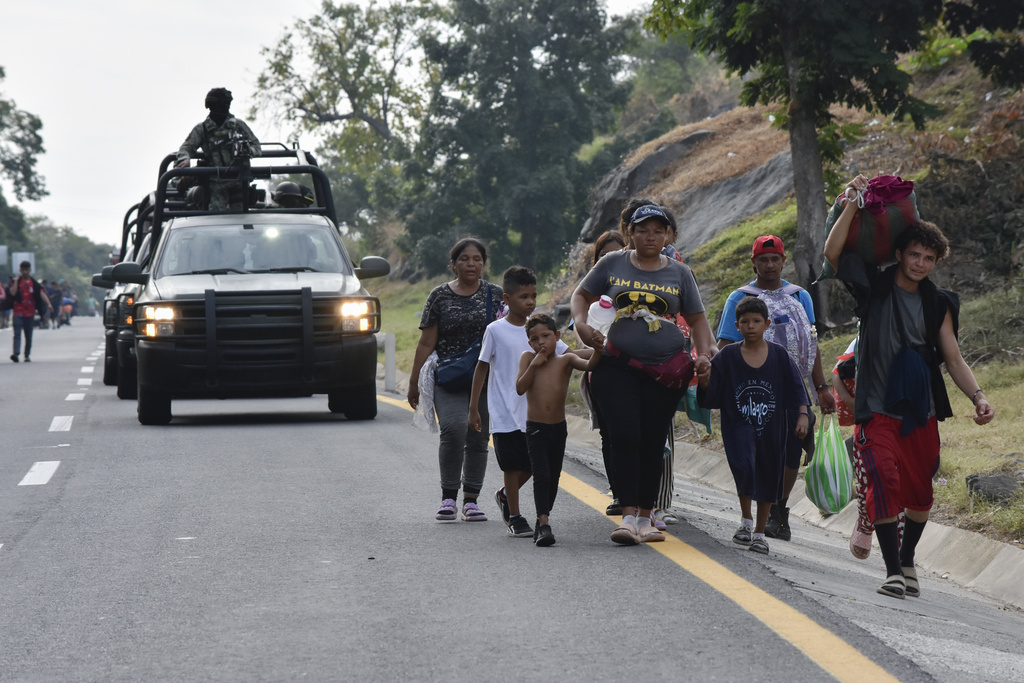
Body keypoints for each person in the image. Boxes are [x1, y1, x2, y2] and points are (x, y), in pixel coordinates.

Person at [823, 173, 995, 600]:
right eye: (914, 254)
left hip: (919, 410)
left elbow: (952, 357)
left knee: (919, 491)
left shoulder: (939, 303)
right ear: (899, 253)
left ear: (936, 262)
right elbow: (833, 252)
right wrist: (852, 204)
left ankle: (907, 557)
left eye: (929, 257)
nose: (920, 263)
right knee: (881, 476)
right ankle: (892, 570)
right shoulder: (872, 288)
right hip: (875, 406)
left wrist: (978, 396)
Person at [571, 204, 717, 546]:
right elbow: (581, 295)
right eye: (642, 230)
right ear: (630, 234)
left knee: (653, 442)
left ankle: (647, 516)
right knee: (624, 435)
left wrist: (704, 354)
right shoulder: (612, 264)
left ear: (667, 235)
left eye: (657, 230)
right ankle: (628, 516)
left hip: (664, 371)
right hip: (614, 365)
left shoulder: (680, 272)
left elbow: (697, 319)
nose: (650, 237)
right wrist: (580, 324)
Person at [716, 234, 836, 541]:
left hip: (793, 390)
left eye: (775, 259)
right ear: (753, 263)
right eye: (763, 260)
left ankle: (778, 512)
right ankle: (757, 515)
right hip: (752, 392)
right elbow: (725, 345)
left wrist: (821, 386)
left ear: (784, 261)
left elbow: (811, 344)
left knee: (790, 453)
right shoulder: (739, 298)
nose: (769, 265)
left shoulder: (800, 297)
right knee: (753, 452)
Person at [697, 297, 810, 554]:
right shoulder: (728, 356)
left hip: (773, 428)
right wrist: (704, 380)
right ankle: (745, 521)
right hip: (739, 425)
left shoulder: (779, 355)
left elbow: (796, 387)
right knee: (744, 466)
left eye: (756, 321)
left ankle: (760, 532)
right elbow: (712, 391)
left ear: (767, 324)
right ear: (737, 325)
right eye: (745, 322)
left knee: (770, 473)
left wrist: (802, 415)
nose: (751, 326)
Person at [468, 266, 570, 538]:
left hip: (534, 413)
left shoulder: (540, 331)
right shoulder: (496, 330)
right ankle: (514, 515)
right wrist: (474, 408)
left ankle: (504, 496)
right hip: (503, 409)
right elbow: (481, 367)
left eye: (534, 295)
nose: (530, 302)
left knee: (535, 467)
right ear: (507, 298)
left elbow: (566, 354)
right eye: (524, 296)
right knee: (512, 465)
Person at [409, 237, 502, 523]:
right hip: (448, 376)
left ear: (483, 264)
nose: (471, 264)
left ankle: (471, 500)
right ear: (453, 265)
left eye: (476, 259)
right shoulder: (439, 296)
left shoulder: (497, 295)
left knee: (478, 435)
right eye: (464, 259)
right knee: (453, 428)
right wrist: (414, 382)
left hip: (486, 377)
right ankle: (448, 497)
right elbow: (426, 343)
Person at [516, 314, 602, 546]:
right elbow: (520, 388)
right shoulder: (527, 358)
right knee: (541, 474)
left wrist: (598, 348)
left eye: (546, 336)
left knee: (553, 477)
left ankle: (542, 519)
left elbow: (590, 365)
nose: (541, 343)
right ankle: (544, 524)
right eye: (535, 339)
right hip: (535, 429)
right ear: (529, 344)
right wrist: (534, 364)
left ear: (557, 336)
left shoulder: (566, 360)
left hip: (558, 428)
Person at [176, 87, 262, 211]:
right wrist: (185, 158)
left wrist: (249, 151)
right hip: (216, 183)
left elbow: (257, 146)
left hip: (239, 180)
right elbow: (187, 147)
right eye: (222, 104)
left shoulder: (238, 126)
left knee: (242, 218)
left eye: (227, 103)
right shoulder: (203, 129)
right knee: (215, 216)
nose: (226, 107)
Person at [8, 261, 52, 362]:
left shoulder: (34, 284)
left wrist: (48, 304)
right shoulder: (16, 282)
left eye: (26, 270)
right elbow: (13, 293)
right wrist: (15, 281)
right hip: (18, 312)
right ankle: (16, 353)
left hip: (29, 313)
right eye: (22, 270)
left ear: (29, 270)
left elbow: (42, 294)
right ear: (20, 270)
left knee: (28, 335)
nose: (24, 272)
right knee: (17, 333)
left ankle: (27, 354)